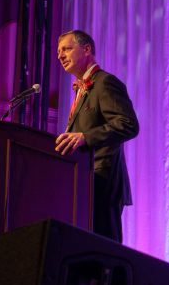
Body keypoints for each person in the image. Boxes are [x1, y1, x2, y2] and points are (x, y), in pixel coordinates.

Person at [55, 30, 139, 243]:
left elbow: (128, 124)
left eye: (66, 48)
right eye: (58, 52)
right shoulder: (81, 90)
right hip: (84, 181)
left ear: (86, 49)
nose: (60, 56)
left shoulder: (105, 82)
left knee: (105, 252)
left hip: (103, 181)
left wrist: (85, 137)